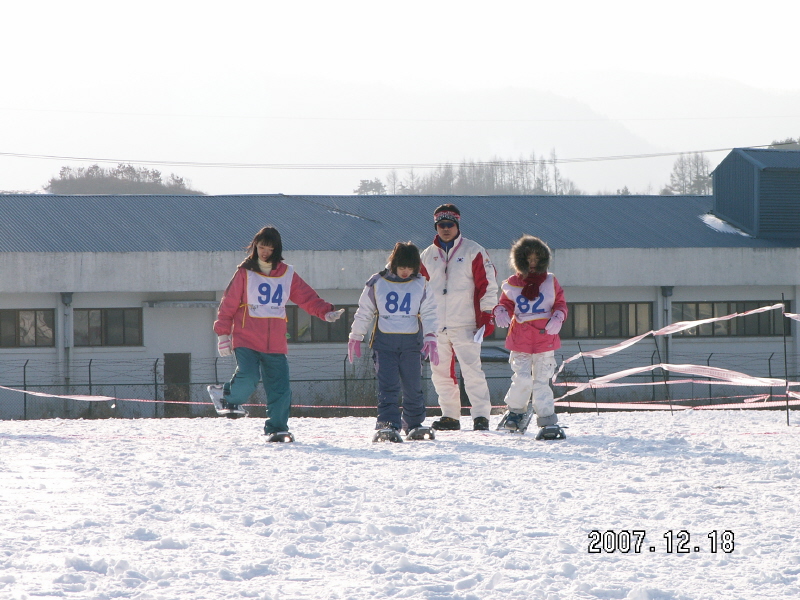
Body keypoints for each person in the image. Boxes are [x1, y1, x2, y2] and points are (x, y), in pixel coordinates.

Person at [209, 226, 343, 442]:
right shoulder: (244, 272)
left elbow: (307, 297)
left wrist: (326, 312)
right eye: (261, 247)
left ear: (276, 249)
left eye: (269, 248)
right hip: (246, 338)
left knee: (280, 388)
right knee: (249, 377)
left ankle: (277, 428)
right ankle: (225, 395)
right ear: (255, 247)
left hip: (276, 343)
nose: (264, 252)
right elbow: (229, 303)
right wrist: (223, 334)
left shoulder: (287, 274)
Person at [348, 242, 440, 442]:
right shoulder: (377, 282)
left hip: (411, 344)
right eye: (402, 267)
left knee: (413, 385)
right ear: (394, 263)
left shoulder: (421, 284)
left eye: (410, 268)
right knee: (388, 386)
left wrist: (431, 336)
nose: (406, 272)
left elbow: (430, 312)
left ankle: (414, 423)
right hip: (384, 344)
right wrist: (356, 335)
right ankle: (388, 423)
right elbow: (364, 311)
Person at [419, 204, 499, 431]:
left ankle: (481, 415)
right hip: (436, 325)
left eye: (450, 224)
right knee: (440, 373)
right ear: (436, 226)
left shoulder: (474, 251)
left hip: (466, 323)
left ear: (457, 225)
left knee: (472, 371)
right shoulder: (427, 255)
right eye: (441, 225)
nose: (445, 229)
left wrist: (487, 315)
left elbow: (488, 285)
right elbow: (418, 289)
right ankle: (450, 416)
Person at [492, 235, 567, 437]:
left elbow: (560, 303)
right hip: (520, 340)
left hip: (545, 339)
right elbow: (506, 303)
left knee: (542, 382)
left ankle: (547, 419)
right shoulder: (512, 284)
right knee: (522, 379)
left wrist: (558, 317)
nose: (532, 264)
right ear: (520, 260)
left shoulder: (550, 281)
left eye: (536, 259)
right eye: (528, 259)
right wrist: (500, 311)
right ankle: (516, 412)